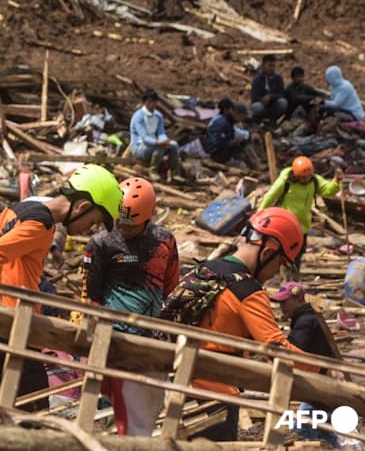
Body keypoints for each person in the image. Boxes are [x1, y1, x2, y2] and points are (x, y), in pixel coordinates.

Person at [0, 164, 122, 409]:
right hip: (16, 333)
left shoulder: (21, 209)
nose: (90, 229)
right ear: (83, 206)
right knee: (34, 415)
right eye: (93, 221)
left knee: (6, 411)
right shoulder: (41, 225)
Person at [172, 208, 311, 441]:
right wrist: (324, 370)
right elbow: (275, 348)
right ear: (268, 251)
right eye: (280, 263)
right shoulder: (247, 290)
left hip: (178, 386)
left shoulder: (205, 269)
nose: (276, 272)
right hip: (216, 398)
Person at [82, 177, 179, 436]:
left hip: (152, 338)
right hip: (114, 338)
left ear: (147, 217)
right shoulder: (101, 244)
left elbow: (171, 286)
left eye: (130, 225)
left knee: (147, 408)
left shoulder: (164, 242)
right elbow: (91, 294)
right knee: (111, 411)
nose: (123, 228)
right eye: (120, 222)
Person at [269, 281, 341, 447]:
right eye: (279, 302)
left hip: (319, 382)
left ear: (298, 299)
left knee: (302, 429)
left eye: (285, 302)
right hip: (323, 382)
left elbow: (294, 352)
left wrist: (275, 347)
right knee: (326, 430)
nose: (281, 307)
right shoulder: (306, 318)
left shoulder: (305, 322)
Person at [258, 156, 342, 234]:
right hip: (287, 224)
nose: (305, 180)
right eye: (302, 177)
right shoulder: (286, 181)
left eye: (308, 177)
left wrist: (336, 181)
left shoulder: (314, 181)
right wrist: (259, 215)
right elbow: (270, 196)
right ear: (296, 175)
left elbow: (328, 190)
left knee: (301, 249)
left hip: (303, 226)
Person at [129, 88, 180, 182]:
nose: (152, 104)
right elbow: (144, 137)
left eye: (154, 102)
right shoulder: (138, 116)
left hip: (153, 145)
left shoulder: (158, 116)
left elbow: (161, 132)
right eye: (149, 102)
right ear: (144, 102)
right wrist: (158, 142)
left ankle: (175, 173)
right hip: (139, 147)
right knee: (160, 147)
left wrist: (164, 140)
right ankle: (153, 171)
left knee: (174, 145)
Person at [203, 98, 257, 166]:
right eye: (242, 117)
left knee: (241, 141)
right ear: (237, 114)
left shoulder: (227, 122)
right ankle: (255, 164)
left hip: (217, 149)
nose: (241, 120)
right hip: (215, 153)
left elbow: (234, 132)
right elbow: (218, 143)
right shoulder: (222, 122)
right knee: (240, 143)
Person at [250, 55, 288, 122]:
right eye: (269, 65)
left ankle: (274, 118)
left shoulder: (278, 78)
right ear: (263, 66)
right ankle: (261, 119)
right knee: (256, 107)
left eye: (273, 66)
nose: (272, 68)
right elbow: (254, 97)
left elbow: (282, 94)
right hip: (262, 105)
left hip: (274, 105)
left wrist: (271, 97)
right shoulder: (257, 79)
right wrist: (262, 99)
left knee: (283, 103)